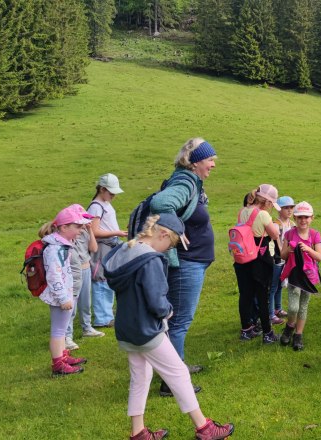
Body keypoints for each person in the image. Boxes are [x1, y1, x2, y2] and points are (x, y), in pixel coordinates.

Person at [102, 213, 234, 440]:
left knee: (140, 377)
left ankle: (139, 432)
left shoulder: (126, 249)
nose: (169, 249)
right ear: (162, 234)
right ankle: (205, 428)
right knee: (179, 373)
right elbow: (156, 301)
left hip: (126, 328)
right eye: (171, 244)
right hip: (147, 330)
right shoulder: (151, 260)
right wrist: (168, 310)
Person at [149, 138, 218, 391]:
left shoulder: (190, 181)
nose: (212, 164)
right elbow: (159, 204)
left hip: (193, 262)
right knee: (179, 322)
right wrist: (174, 229)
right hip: (186, 264)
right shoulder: (185, 181)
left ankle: (177, 366)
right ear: (196, 161)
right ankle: (173, 383)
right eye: (210, 159)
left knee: (177, 321)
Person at [39, 205, 91, 376]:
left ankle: (63, 356)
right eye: (77, 227)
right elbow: (54, 276)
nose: (81, 230)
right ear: (63, 227)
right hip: (59, 296)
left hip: (65, 294)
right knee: (58, 330)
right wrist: (63, 298)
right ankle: (58, 365)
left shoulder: (62, 245)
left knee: (61, 329)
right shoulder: (54, 249)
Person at [234, 184, 281, 343]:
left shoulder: (242, 212)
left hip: (242, 258)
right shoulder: (263, 215)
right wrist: (275, 226)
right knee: (263, 295)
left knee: (245, 294)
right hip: (259, 259)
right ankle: (268, 333)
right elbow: (274, 235)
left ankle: (246, 329)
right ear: (267, 202)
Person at [278, 201, 321, 351]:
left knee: (303, 307)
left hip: (309, 276)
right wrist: (290, 249)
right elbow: (282, 256)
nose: (303, 220)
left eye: (306, 217)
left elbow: (319, 257)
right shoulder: (289, 234)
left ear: (312, 218)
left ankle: (298, 335)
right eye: (299, 217)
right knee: (293, 307)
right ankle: (290, 326)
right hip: (294, 275)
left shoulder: (314, 235)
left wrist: (308, 250)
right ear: (295, 219)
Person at [89, 173, 128, 328]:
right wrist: (116, 232)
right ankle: (102, 318)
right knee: (100, 279)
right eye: (111, 193)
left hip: (111, 244)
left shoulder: (105, 204)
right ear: (102, 189)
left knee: (109, 279)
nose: (113, 196)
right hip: (102, 247)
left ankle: (108, 314)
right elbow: (94, 231)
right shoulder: (95, 207)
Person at [65, 204, 102, 351]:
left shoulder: (85, 232)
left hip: (86, 269)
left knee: (86, 302)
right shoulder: (70, 234)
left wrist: (90, 230)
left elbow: (93, 248)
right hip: (74, 272)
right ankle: (67, 335)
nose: (86, 223)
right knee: (71, 304)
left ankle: (87, 328)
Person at [268, 196, 296, 325]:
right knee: (273, 286)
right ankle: (270, 314)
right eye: (286, 208)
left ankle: (278, 308)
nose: (289, 210)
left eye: (291, 207)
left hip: (287, 258)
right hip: (277, 259)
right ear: (279, 209)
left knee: (280, 285)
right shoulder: (275, 225)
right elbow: (277, 244)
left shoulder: (292, 224)